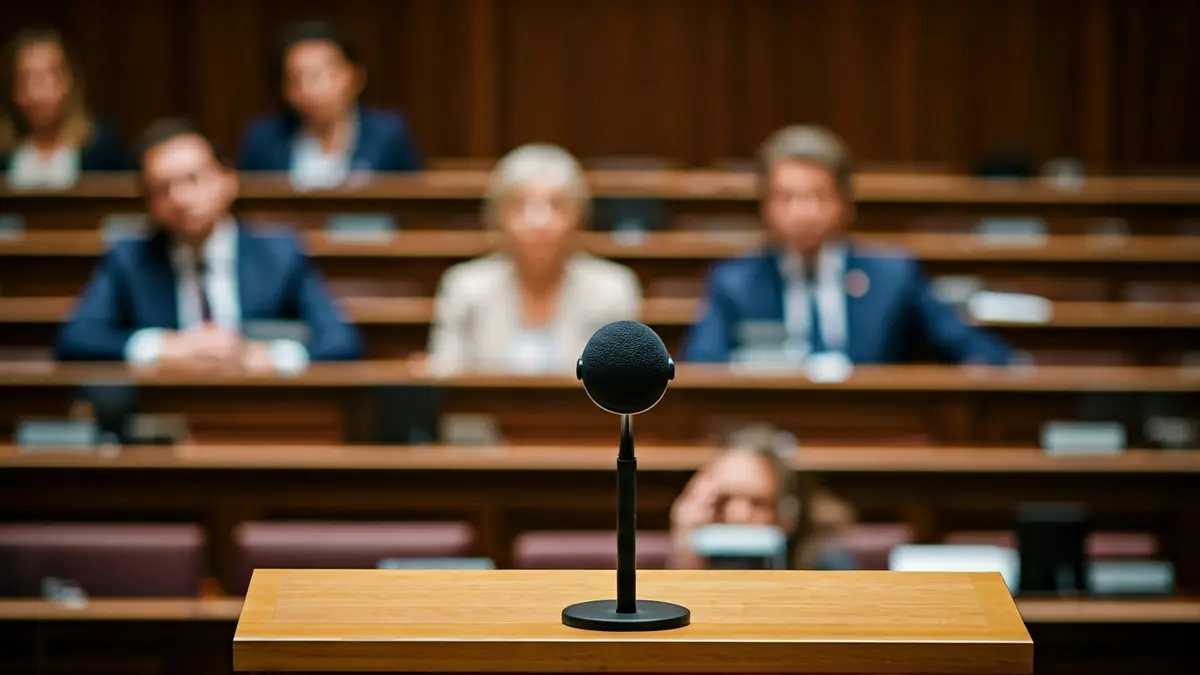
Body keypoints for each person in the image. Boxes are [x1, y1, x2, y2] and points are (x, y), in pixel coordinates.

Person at [682, 125, 1012, 365]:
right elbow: (702, 366)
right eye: (788, 198)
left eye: (818, 196)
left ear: (844, 203)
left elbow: (967, 346)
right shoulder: (734, 281)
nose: (804, 212)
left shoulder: (893, 276)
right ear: (765, 205)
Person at [55, 118, 364, 371]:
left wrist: (269, 356)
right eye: (163, 188)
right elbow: (76, 339)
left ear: (228, 180)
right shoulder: (130, 258)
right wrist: (165, 346)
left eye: (193, 179)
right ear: (150, 203)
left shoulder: (279, 254)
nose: (180, 198)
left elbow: (342, 342)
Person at [427, 143, 641, 373]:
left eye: (557, 205)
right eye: (521, 205)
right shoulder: (465, 286)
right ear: (499, 216)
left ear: (578, 216)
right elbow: (445, 376)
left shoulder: (613, 288)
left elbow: (621, 381)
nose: (540, 221)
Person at [236, 20, 421, 187]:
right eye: (296, 78)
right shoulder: (263, 138)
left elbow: (413, 201)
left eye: (321, 75)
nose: (310, 90)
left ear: (355, 76)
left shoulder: (388, 133)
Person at [669, 424, 857, 570]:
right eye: (724, 500)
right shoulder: (697, 557)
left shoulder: (830, 564)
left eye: (758, 503)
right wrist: (685, 539)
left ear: (789, 512)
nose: (738, 516)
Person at [0, 27, 128, 188]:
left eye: (45, 79)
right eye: (25, 80)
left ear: (68, 81)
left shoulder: (102, 147)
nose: (36, 94)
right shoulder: (4, 154)